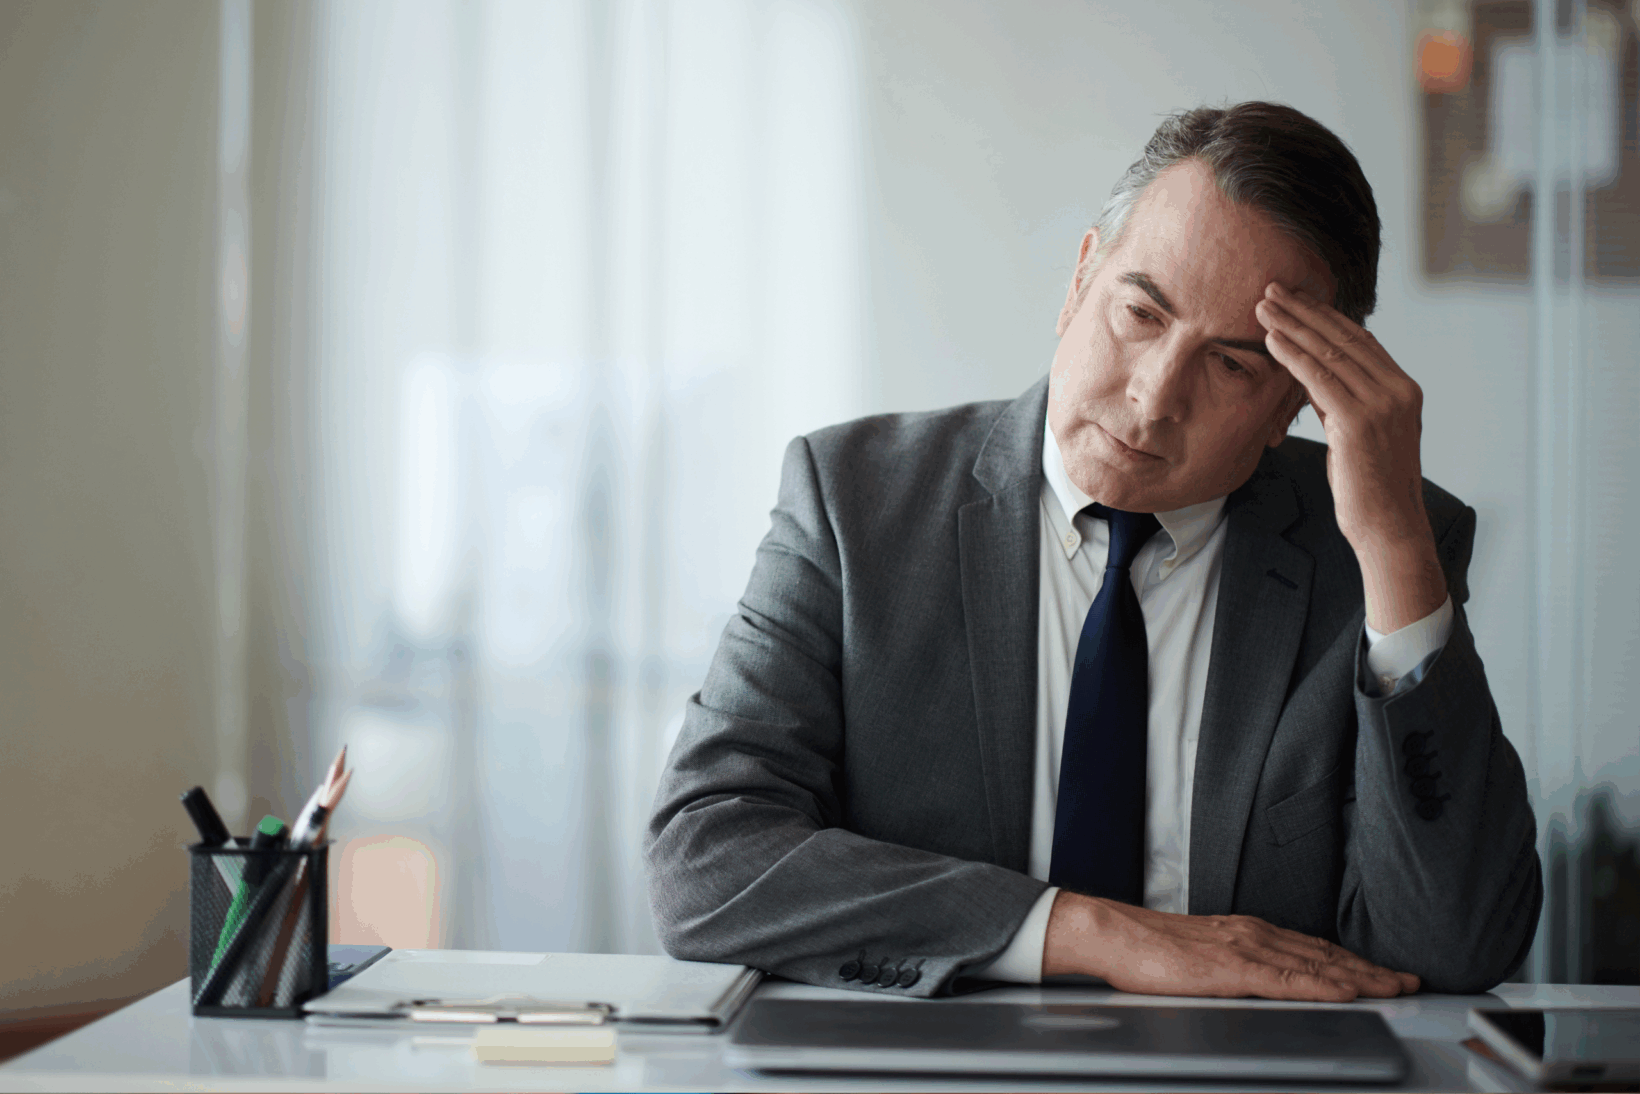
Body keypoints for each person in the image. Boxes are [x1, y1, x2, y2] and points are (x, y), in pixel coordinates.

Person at [644, 102, 1541, 1001]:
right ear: (1080, 280)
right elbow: (705, 859)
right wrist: (1089, 932)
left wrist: (1393, 547)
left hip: (1246, 1064)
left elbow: (1454, 945)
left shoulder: (1378, 548)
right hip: (929, 1057)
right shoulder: (854, 504)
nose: (1154, 397)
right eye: (1142, 313)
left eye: (1232, 365)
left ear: (1294, 406)